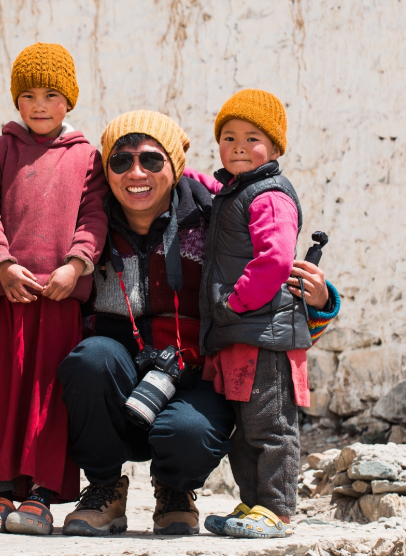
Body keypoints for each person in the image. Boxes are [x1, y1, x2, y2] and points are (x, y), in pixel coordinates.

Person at [53, 110, 338, 537]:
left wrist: (319, 300)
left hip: (196, 369)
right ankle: (105, 488)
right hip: (118, 368)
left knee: (189, 433)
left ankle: (175, 489)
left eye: (151, 160)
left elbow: (269, 269)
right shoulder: (87, 227)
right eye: (121, 161)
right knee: (90, 361)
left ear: (175, 164)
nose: (136, 174)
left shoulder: (213, 218)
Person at [0, 42, 109, 536]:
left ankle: (40, 496)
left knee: (47, 397)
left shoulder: (87, 157)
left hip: (58, 301)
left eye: (52, 94)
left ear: (70, 101)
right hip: (6, 296)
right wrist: (0, 263)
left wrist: (77, 265)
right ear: (17, 100)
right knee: (0, 394)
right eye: (30, 94)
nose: (40, 105)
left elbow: (95, 217)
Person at [200, 89, 340, 539]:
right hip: (243, 334)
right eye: (229, 136)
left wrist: (235, 302)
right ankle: (254, 504)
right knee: (244, 431)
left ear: (275, 148)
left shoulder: (270, 195)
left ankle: (277, 510)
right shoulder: (234, 191)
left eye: (252, 138)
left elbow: (275, 261)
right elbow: (206, 187)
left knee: (271, 425)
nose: (239, 146)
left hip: (267, 335)